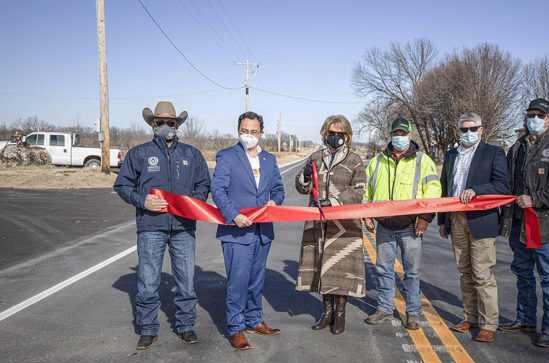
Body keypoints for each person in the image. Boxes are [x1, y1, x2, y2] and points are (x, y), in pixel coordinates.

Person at [114, 101, 210, 350]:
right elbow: (122, 186)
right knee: (147, 281)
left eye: (171, 122)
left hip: (183, 227)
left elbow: (203, 184)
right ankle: (147, 329)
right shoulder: (139, 153)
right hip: (151, 227)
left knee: (186, 280)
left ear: (177, 125)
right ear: (152, 125)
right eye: (160, 122)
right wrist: (142, 200)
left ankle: (186, 325)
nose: (166, 126)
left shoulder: (192, 154)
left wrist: (193, 204)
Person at [498, 98, 549, 348]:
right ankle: (525, 319)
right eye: (531, 114)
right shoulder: (517, 148)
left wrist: (536, 200)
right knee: (522, 273)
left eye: (540, 115)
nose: (534, 119)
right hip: (519, 224)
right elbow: (508, 184)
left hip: (545, 225)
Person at [210, 111, 284, 350]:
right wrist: (234, 215)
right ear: (238, 131)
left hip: (262, 232)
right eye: (244, 131)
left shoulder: (270, 160)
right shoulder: (227, 157)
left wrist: (276, 202)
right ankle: (236, 328)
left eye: (253, 132)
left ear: (261, 133)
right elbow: (218, 191)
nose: (249, 135)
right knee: (238, 282)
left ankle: (253, 320)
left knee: (256, 281)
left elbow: (279, 190)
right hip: (237, 231)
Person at [363, 118, 442, 330]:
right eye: (395, 134)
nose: (399, 138)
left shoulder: (423, 161)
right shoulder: (377, 161)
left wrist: (425, 218)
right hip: (384, 226)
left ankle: (413, 312)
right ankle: (385, 309)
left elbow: (433, 191)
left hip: (411, 227)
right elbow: (366, 190)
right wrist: (366, 213)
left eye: (403, 134)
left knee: (412, 271)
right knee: (384, 269)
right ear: (390, 135)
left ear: (410, 135)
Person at [437, 112, 509, 343]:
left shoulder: (493, 153)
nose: (467, 133)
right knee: (465, 272)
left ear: (481, 129)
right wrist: (442, 220)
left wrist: (477, 189)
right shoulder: (450, 155)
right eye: (463, 129)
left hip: (481, 220)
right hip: (456, 219)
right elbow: (445, 188)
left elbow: (502, 185)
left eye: (472, 129)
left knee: (482, 274)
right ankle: (470, 317)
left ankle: (489, 324)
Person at [295, 115, 366, 335]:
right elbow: (301, 187)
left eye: (340, 134)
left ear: (347, 136)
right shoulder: (315, 156)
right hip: (318, 223)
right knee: (321, 267)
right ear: (325, 134)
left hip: (344, 224)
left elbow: (359, 189)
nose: (335, 137)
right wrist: (305, 177)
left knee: (340, 270)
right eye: (331, 133)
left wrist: (335, 201)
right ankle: (326, 313)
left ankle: (341, 315)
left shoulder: (355, 159)